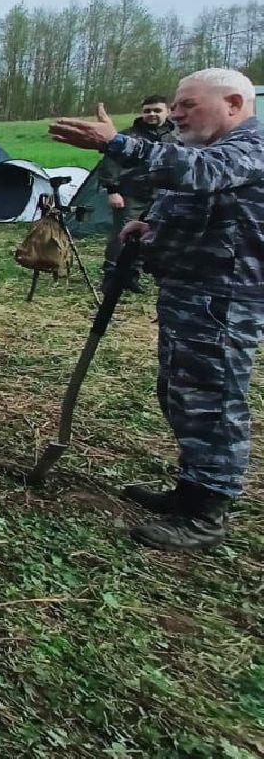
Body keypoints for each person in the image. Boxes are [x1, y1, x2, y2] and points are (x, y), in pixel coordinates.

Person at [50, 69, 264, 551]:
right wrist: (151, 225)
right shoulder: (211, 149)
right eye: (176, 104)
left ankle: (208, 511)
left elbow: (197, 175)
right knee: (182, 392)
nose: (177, 113)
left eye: (188, 104)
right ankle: (191, 490)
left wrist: (118, 143)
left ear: (233, 103)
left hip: (224, 299)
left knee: (213, 400)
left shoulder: (251, 148)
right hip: (190, 293)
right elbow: (192, 195)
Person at [92, 94, 177, 293]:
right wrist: (113, 190)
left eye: (157, 110)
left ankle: (132, 276)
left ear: (168, 112)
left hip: (161, 196)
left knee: (148, 235)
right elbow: (109, 165)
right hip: (130, 194)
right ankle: (111, 276)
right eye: (147, 111)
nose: (152, 114)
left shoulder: (175, 139)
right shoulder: (128, 136)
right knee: (120, 236)